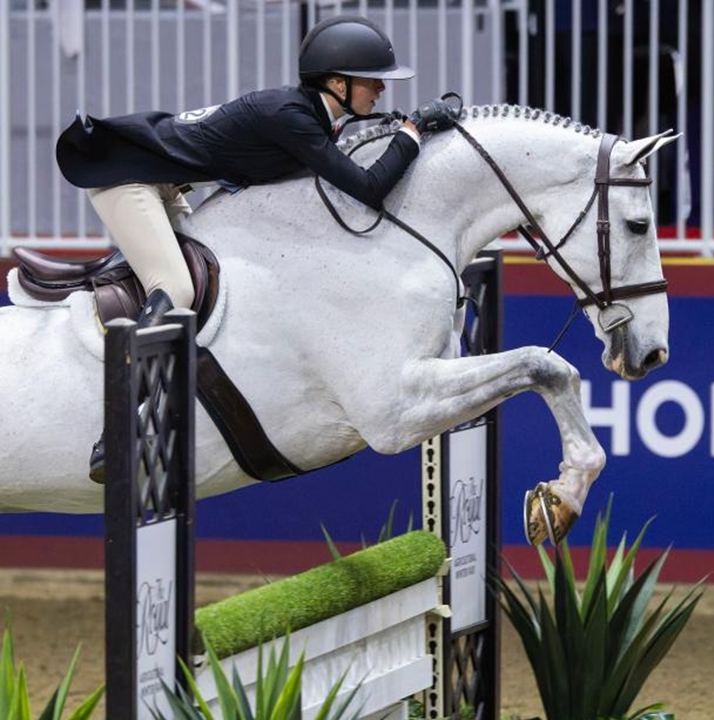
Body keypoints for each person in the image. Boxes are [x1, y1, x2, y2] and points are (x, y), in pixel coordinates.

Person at [56, 15, 460, 483]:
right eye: (372, 81)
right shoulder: (291, 117)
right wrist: (411, 134)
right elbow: (368, 187)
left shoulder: (309, 116)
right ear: (336, 83)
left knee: (219, 284)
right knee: (178, 289)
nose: (381, 90)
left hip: (167, 186)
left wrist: (403, 132)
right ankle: (117, 429)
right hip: (127, 181)